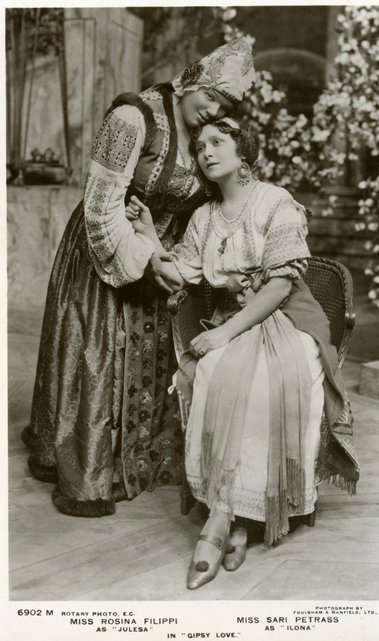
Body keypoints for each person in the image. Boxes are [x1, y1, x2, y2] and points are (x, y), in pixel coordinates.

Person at [21, 38, 256, 517]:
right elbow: (102, 203)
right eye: (209, 96)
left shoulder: (206, 136)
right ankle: (87, 469)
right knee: (97, 354)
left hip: (163, 256)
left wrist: (177, 261)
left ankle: (142, 460)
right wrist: (147, 261)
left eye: (225, 105)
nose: (211, 110)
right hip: (105, 250)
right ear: (190, 79)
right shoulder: (133, 118)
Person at [126, 116, 360, 590]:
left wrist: (224, 332)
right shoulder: (204, 218)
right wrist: (150, 233)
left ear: (243, 149)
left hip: (290, 317)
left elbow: (278, 285)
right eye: (200, 145)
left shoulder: (275, 202)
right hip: (237, 320)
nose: (207, 151)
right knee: (214, 371)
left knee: (268, 379)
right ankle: (232, 519)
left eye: (218, 142)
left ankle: (228, 517)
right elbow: (177, 274)